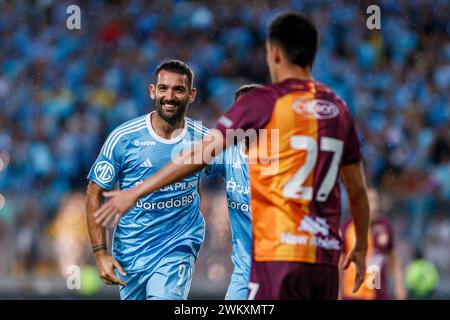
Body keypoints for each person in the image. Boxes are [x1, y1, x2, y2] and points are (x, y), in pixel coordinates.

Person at [94, 12, 370, 300]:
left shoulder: (263, 104)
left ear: (274, 54)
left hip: (277, 259)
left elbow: (199, 155)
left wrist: (137, 189)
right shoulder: (337, 108)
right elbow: (357, 189)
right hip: (322, 261)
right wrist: (361, 245)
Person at [86, 60, 208, 300]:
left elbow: (238, 171)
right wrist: (100, 254)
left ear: (191, 95)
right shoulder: (124, 138)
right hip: (131, 253)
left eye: (178, 90)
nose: (169, 96)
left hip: (178, 245)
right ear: (153, 91)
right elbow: (94, 192)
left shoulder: (204, 140)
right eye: (163, 88)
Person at [205, 84, 262, 300]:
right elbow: (191, 166)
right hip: (244, 272)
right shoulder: (228, 152)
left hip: (278, 268)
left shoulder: (281, 158)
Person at [340, 188, 406, 300]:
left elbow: (393, 260)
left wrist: (399, 287)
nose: (374, 206)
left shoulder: (384, 225)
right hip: (353, 295)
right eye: (369, 201)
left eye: (375, 201)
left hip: (379, 295)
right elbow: (339, 265)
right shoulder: (347, 227)